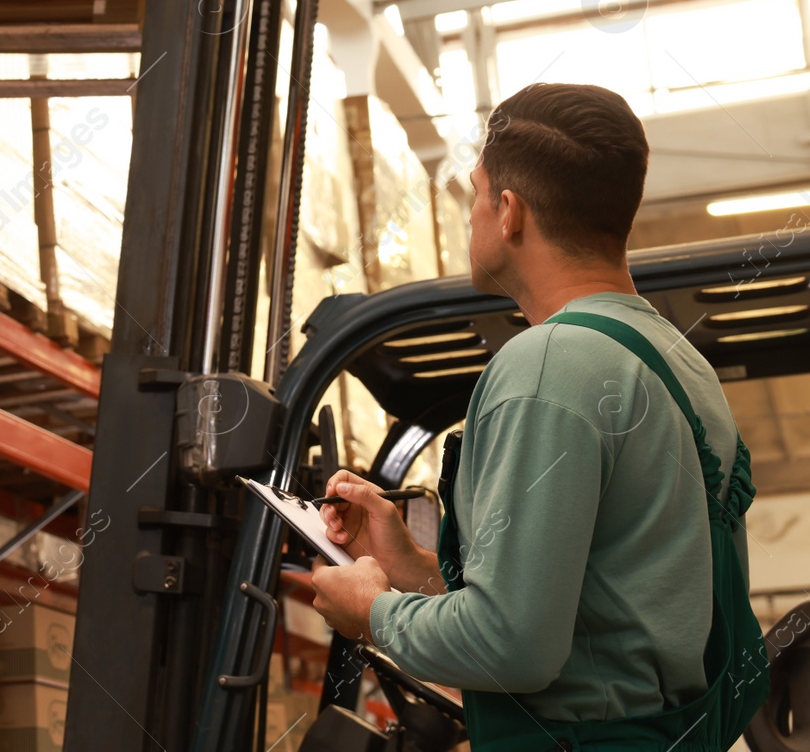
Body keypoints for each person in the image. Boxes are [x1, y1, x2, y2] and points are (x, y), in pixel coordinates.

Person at [308, 82, 762, 749]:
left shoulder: (547, 365)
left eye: (476, 194)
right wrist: (410, 566)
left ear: (510, 211)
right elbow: (599, 610)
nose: (472, 216)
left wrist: (371, 611)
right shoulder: (676, 363)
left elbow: (512, 646)